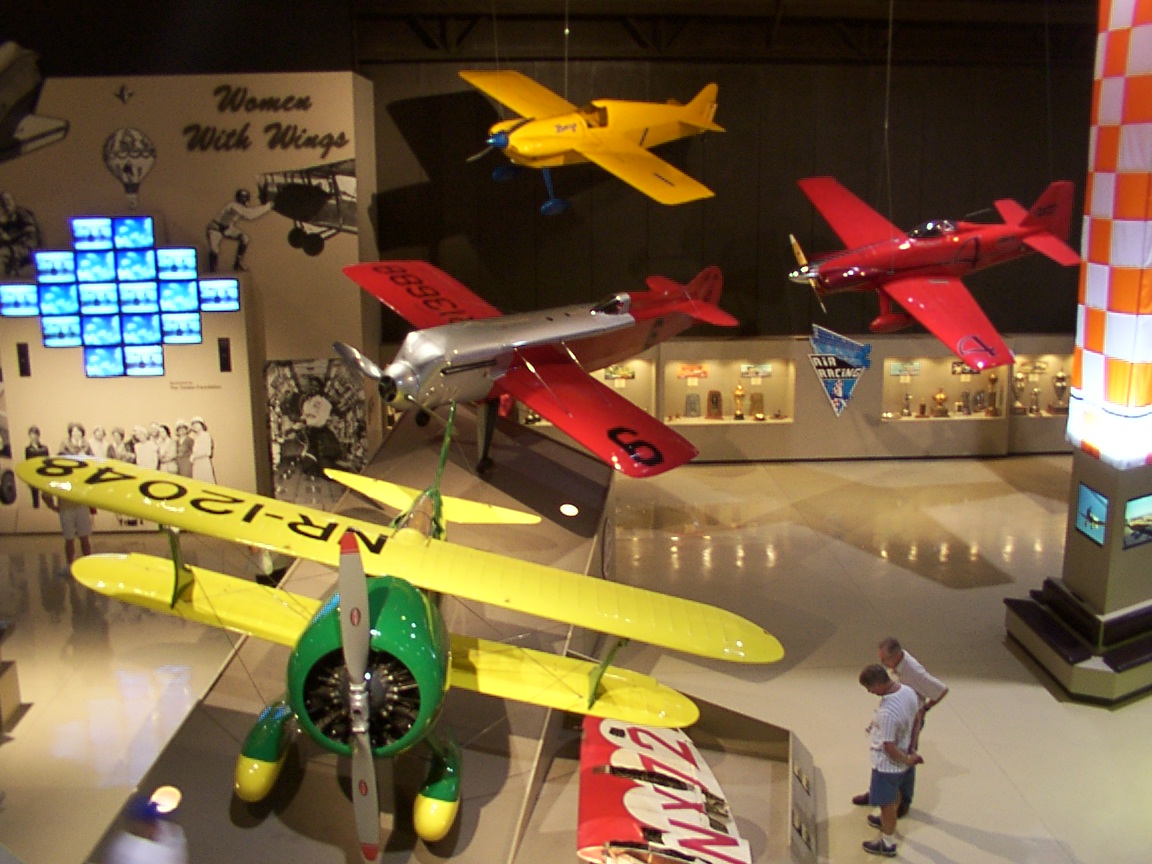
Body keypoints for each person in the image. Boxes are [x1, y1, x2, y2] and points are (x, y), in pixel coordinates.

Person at [853, 637, 950, 817]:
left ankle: (904, 800)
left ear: (897, 655)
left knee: (905, 759)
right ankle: (878, 792)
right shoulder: (896, 669)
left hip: (909, 720)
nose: (882, 663)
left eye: (885, 660)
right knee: (887, 759)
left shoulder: (914, 671)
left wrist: (924, 709)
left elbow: (941, 689)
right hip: (898, 714)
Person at [858, 663, 922, 857]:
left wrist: (908, 759)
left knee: (886, 805)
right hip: (904, 759)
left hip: (887, 767)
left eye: (869, 688)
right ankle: (888, 819)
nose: (869, 692)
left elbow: (889, 747)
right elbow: (918, 717)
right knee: (895, 795)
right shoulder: (908, 691)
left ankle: (887, 843)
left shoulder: (888, 712)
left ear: (878, 684)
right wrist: (912, 747)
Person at [104, 790, 188, 864]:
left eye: (153, 822)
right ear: (136, 825)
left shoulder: (171, 833)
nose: (153, 827)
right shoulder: (125, 848)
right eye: (147, 823)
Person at [204, 187, 272, 272]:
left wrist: (265, 205)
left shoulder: (238, 207)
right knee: (214, 250)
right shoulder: (233, 206)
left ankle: (238, 262)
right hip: (215, 229)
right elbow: (250, 215)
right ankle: (212, 270)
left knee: (245, 238)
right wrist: (268, 206)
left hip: (227, 229)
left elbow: (249, 213)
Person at [42, 490, 93, 571]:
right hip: (71, 507)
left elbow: (46, 495)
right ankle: (72, 565)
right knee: (74, 538)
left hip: (77, 506)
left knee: (79, 538)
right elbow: (46, 493)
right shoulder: (58, 477)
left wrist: (52, 506)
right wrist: (52, 506)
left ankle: (85, 563)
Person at [23, 425, 49, 507]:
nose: (33, 437)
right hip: (33, 475)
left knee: (46, 495)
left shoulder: (44, 448)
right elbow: (27, 463)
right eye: (31, 434)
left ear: (38, 435)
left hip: (43, 473)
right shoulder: (28, 449)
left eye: (35, 434)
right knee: (35, 496)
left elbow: (47, 461)